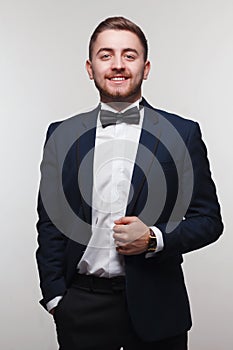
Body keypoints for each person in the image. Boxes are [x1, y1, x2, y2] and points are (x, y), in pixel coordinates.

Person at [36, 16, 223, 350]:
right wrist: (55, 297)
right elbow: (51, 222)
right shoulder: (61, 135)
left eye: (129, 55)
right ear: (90, 67)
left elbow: (209, 221)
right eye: (106, 55)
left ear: (146, 67)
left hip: (159, 305)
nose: (117, 65)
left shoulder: (183, 133)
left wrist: (154, 239)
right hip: (81, 306)